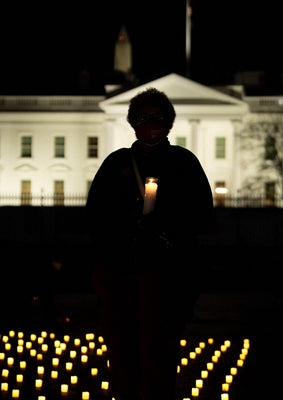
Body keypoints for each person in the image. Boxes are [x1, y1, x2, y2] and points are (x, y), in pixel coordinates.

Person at [85, 87, 214, 400]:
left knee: (159, 355)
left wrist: (165, 226)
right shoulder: (116, 165)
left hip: (166, 275)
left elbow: (202, 216)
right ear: (132, 122)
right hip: (121, 274)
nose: (152, 124)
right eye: (144, 118)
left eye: (158, 118)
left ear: (169, 122)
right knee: (123, 356)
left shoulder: (184, 163)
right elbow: (95, 218)